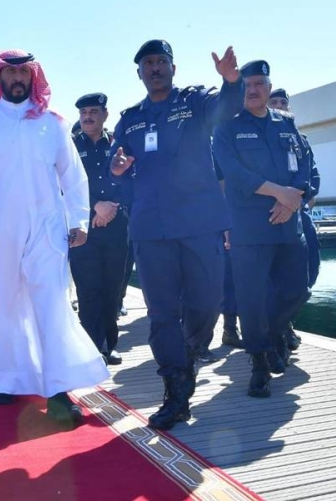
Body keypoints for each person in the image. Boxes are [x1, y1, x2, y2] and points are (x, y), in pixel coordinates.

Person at [0, 50, 107, 428]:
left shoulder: (53, 124)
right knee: (2, 305)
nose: (18, 78)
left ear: (33, 76)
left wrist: (79, 219)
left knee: (51, 305)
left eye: (24, 71)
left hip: (46, 229)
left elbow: (73, 176)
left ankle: (58, 390)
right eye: (11, 72)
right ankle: (6, 379)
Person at [108, 39, 243, 430]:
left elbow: (227, 107)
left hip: (200, 224)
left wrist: (231, 81)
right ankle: (176, 391)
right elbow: (119, 176)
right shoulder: (130, 120)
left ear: (173, 67)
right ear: (139, 73)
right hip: (152, 230)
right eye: (148, 63)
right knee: (162, 312)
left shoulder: (195, 102)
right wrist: (118, 171)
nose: (155, 68)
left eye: (161, 61)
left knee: (208, 301)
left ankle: (189, 349)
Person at [213, 60, 312, 397]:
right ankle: (258, 362)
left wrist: (291, 199)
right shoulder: (226, 128)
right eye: (246, 85)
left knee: (298, 290)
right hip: (249, 228)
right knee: (251, 298)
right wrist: (278, 192)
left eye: (259, 84)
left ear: (269, 89)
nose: (252, 90)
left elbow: (304, 163)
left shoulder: (286, 123)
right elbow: (233, 172)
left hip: (288, 224)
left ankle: (274, 333)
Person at [69, 93, 128, 366]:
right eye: (83, 113)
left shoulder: (119, 142)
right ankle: (92, 347)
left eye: (93, 112)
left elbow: (132, 177)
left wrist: (111, 207)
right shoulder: (70, 146)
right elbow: (64, 185)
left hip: (116, 224)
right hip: (83, 228)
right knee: (88, 289)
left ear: (105, 114)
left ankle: (109, 345)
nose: (88, 117)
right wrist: (96, 206)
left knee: (112, 288)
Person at [269, 87, 321, 351]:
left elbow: (313, 177)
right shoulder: (259, 138)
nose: (279, 106)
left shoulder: (301, 139)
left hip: (299, 216)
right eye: (274, 102)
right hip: (269, 216)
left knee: (308, 273)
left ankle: (283, 323)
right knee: (273, 278)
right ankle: (280, 329)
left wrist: (295, 203)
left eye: (283, 102)